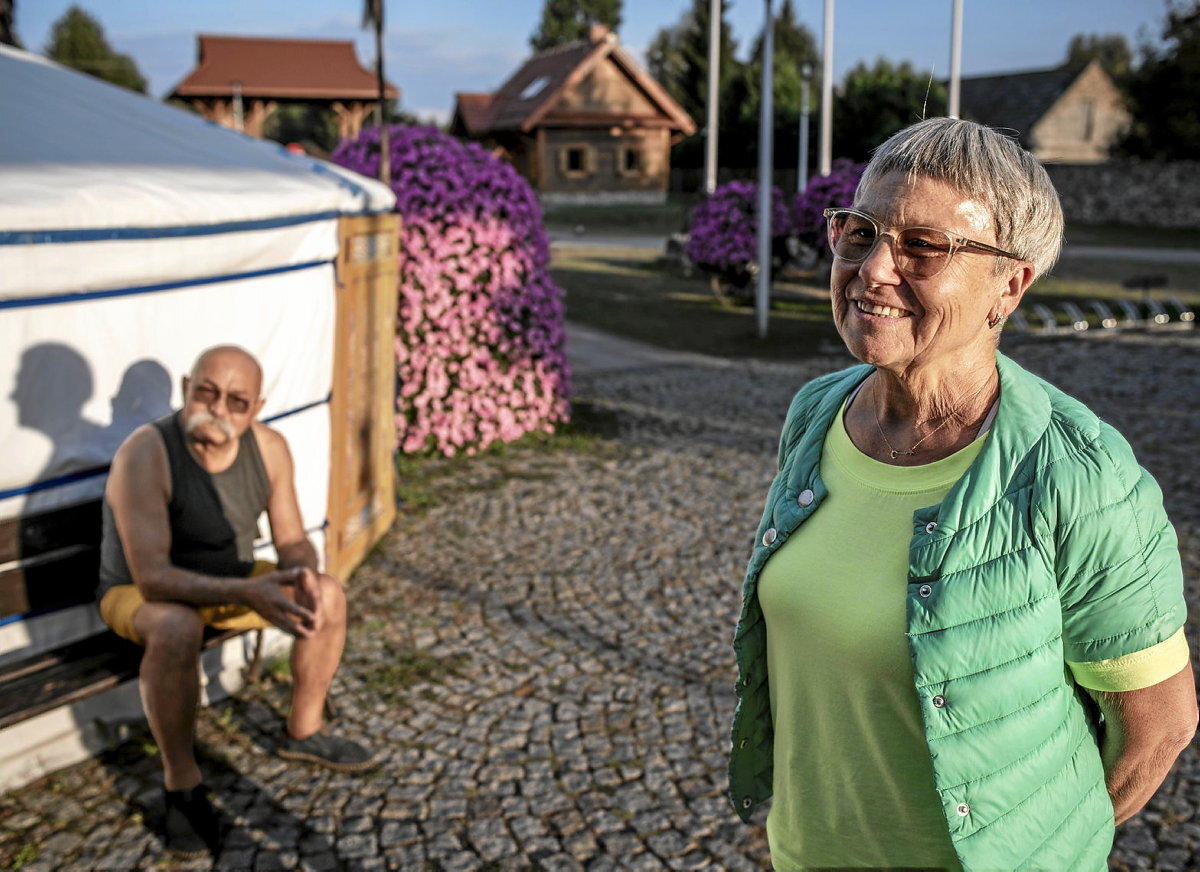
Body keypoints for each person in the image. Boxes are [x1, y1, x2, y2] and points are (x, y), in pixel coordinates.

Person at [728, 118, 1197, 871]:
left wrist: (1039, 845)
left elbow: (1159, 728)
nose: (875, 268)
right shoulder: (816, 415)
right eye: (860, 232)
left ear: (1009, 286)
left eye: (922, 246)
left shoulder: (1079, 473)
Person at [99, 345, 376, 858]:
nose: (219, 409)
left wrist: (304, 573)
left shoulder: (268, 447)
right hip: (137, 591)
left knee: (330, 596)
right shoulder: (147, 452)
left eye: (236, 400)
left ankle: (303, 730)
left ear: (257, 408)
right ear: (187, 388)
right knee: (178, 626)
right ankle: (182, 783)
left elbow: (292, 537)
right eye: (207, 392)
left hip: (229, 580)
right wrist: (250, 591)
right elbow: (153, 577)